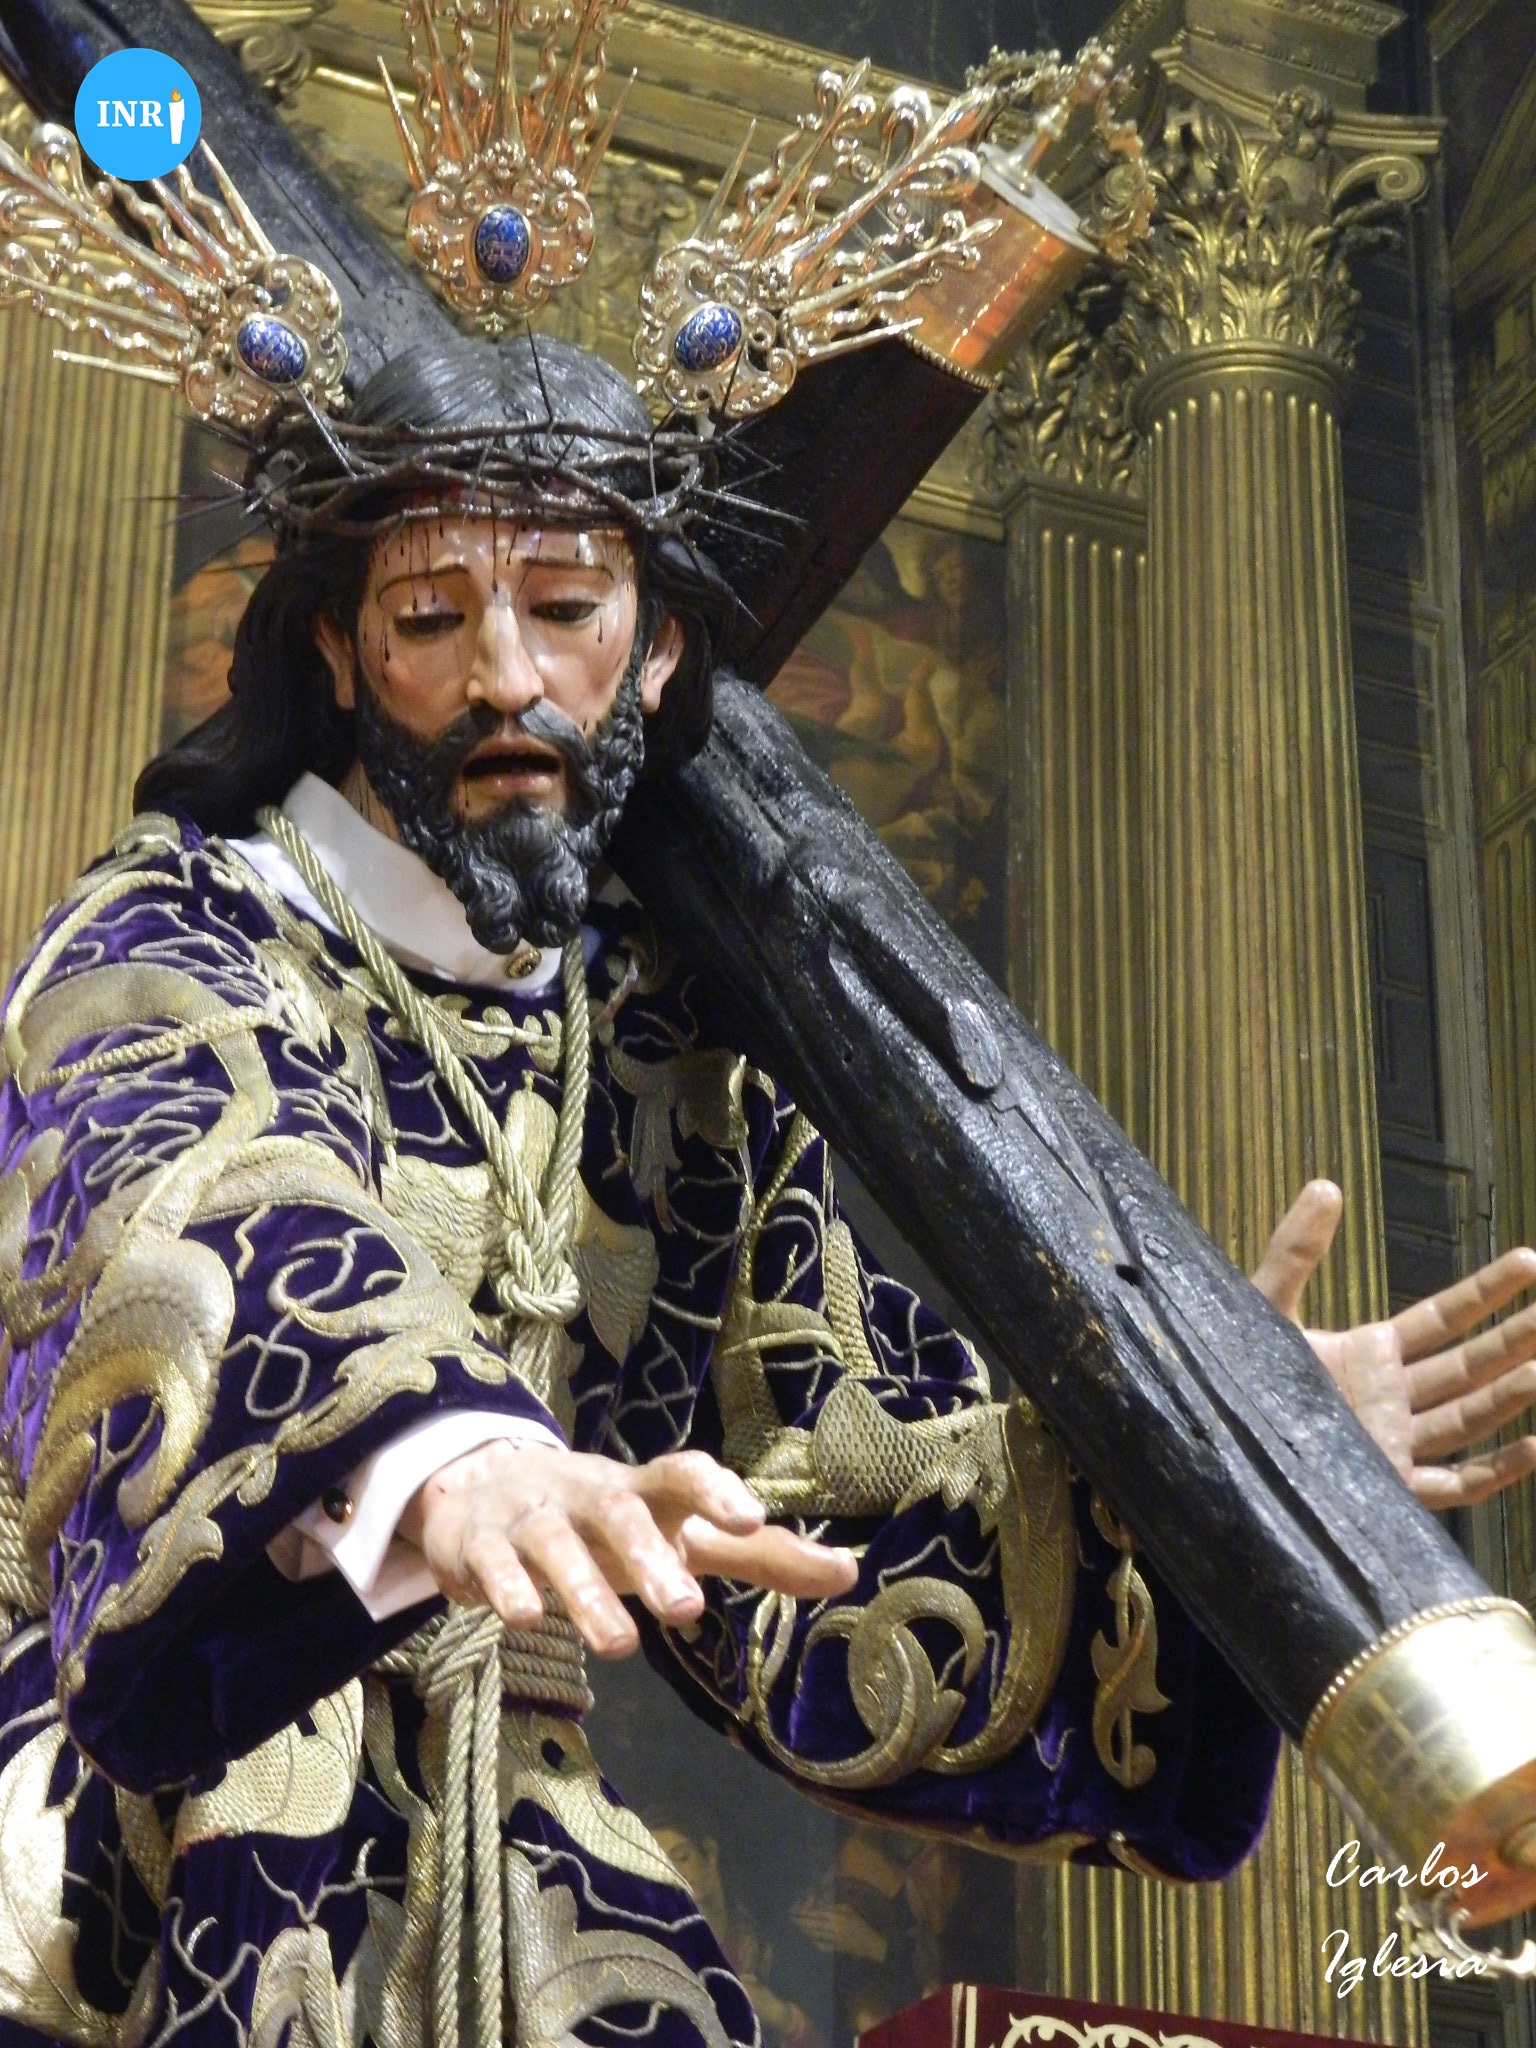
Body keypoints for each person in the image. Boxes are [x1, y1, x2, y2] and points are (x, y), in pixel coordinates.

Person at [3, 331, 1535, 2048]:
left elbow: (818, 1458)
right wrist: (445, 1456)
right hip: (127, 1818)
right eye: (432, 619)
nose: (506, 675)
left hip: (503, 1829)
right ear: (343, 656)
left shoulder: (655, 1036)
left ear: (654, 651)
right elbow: (197, 1193)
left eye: (564, 609)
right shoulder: (179, 928)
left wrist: (1190, 1468)